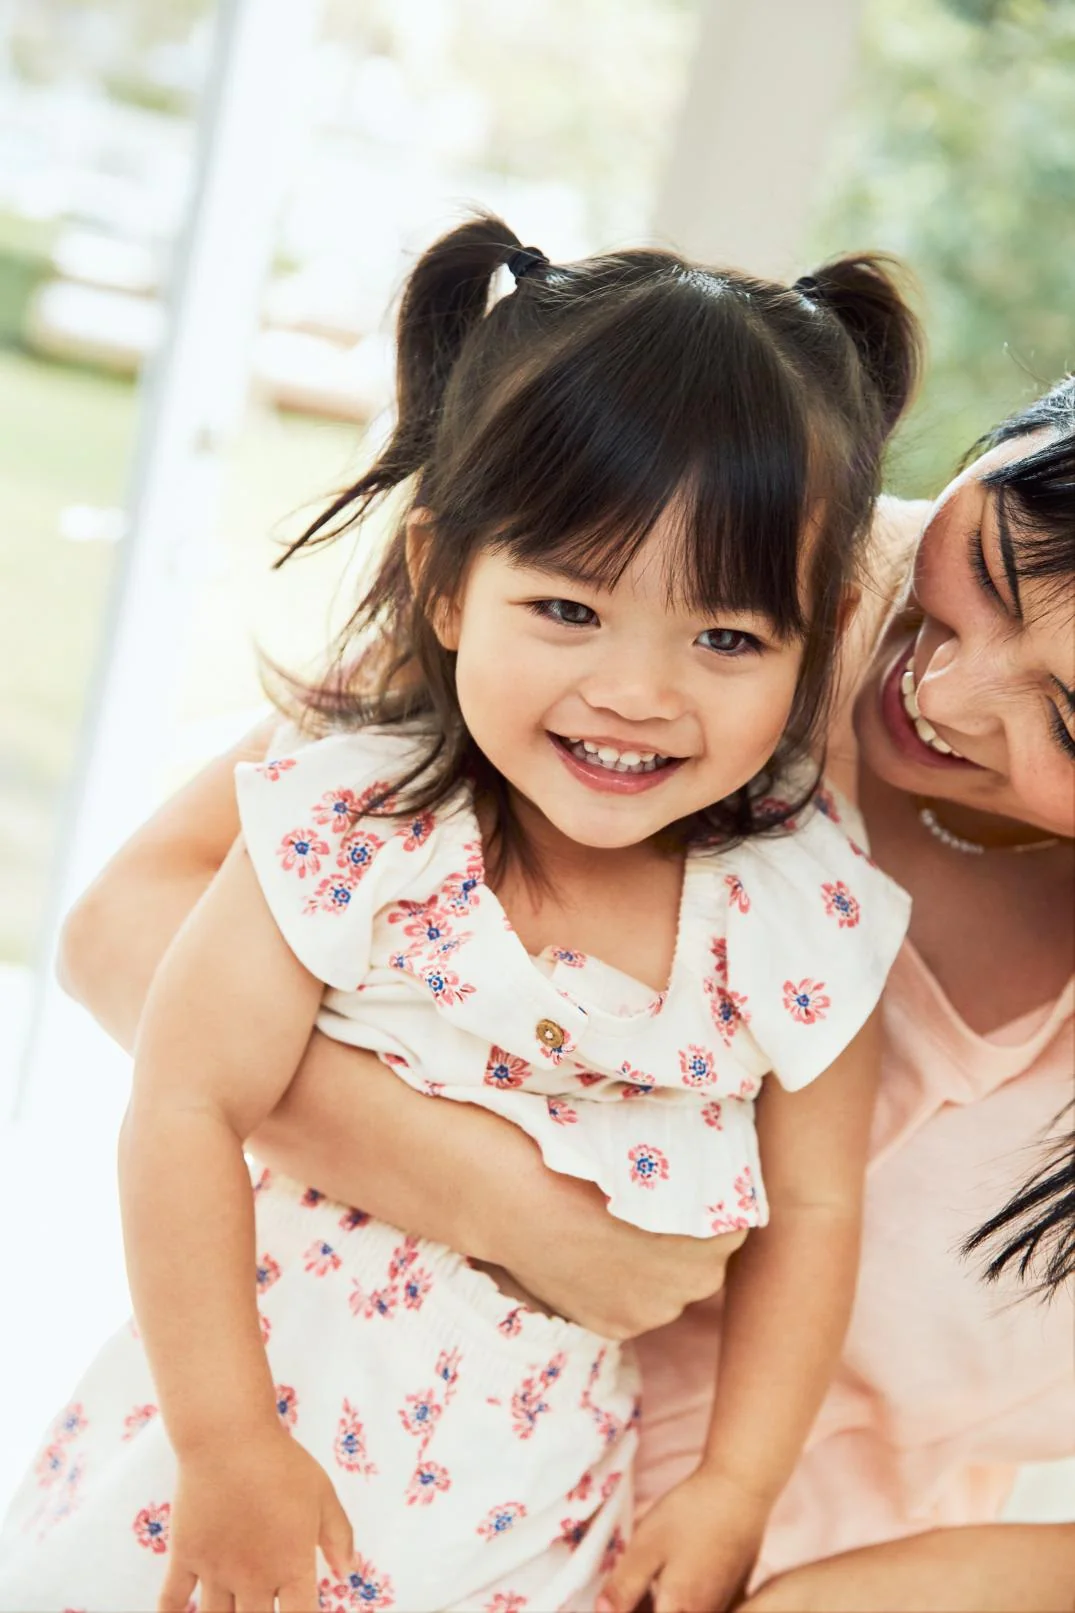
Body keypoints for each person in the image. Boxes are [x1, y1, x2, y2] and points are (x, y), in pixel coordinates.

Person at [0, 216, 923, 1613]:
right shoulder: (356, 825)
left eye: (725, 637)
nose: (636, 690)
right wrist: (223, 1438)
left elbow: (813, 1208)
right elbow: (182, 1104)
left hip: (520, 1526)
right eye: (566, 608)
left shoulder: (793, 909)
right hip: (234, 1458)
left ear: (821, 626)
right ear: (441, 581)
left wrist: (734, 1486)